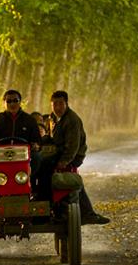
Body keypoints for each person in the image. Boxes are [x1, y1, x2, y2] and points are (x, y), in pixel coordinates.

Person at [40, 90, 109, 225]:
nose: (58, 107)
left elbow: (73, 146)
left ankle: (50, 207)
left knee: (44, 171)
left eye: (61, 104)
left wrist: (63, 162)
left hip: (72, 156)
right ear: (51, 105)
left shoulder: (72, 120)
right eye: (54, 104)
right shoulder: (53, 118)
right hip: (59, 153)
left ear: (66, 104)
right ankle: (88, 212)